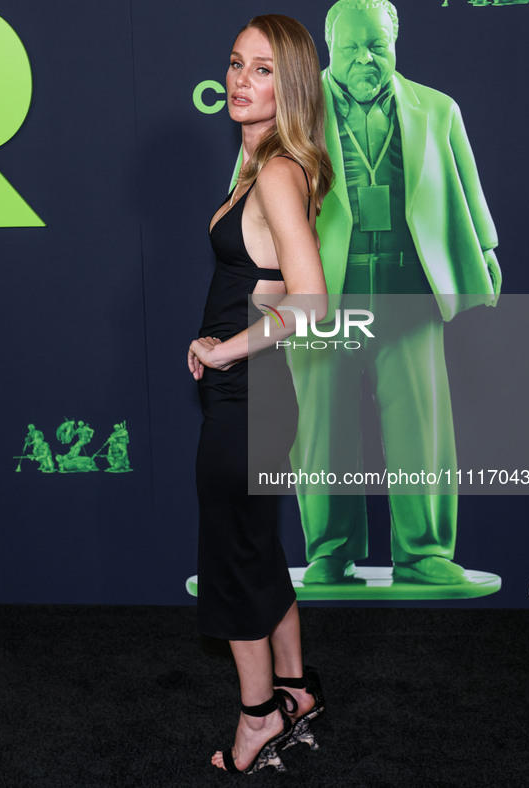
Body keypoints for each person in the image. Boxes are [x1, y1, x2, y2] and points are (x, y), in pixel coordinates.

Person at [289, 0, 500, 586]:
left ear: (394, 44)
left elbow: (467, 187)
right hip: (324, 294)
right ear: (329, 47)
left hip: (408, 293)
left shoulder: (436, 109)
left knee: (421, 427)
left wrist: (484, 249)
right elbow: (248, 198)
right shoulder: (292, 113)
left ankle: (424, 551)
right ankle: (328, 549)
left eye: (377, 46)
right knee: (321, 429)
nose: (365, 58)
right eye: (352, 46)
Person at [188, 14, 332, 774]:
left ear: (294, 85)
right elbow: (256, 282)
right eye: (236, 65)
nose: (241, 81)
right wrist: (212, 340)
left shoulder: (275, 170)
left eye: (264, 70)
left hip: (248, 396)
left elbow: (310, 301)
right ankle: (293, 690)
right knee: (256, 548)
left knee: (231, 560)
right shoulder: (263, 166)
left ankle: (255, 721)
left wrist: (223, 350)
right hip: (258, 393)